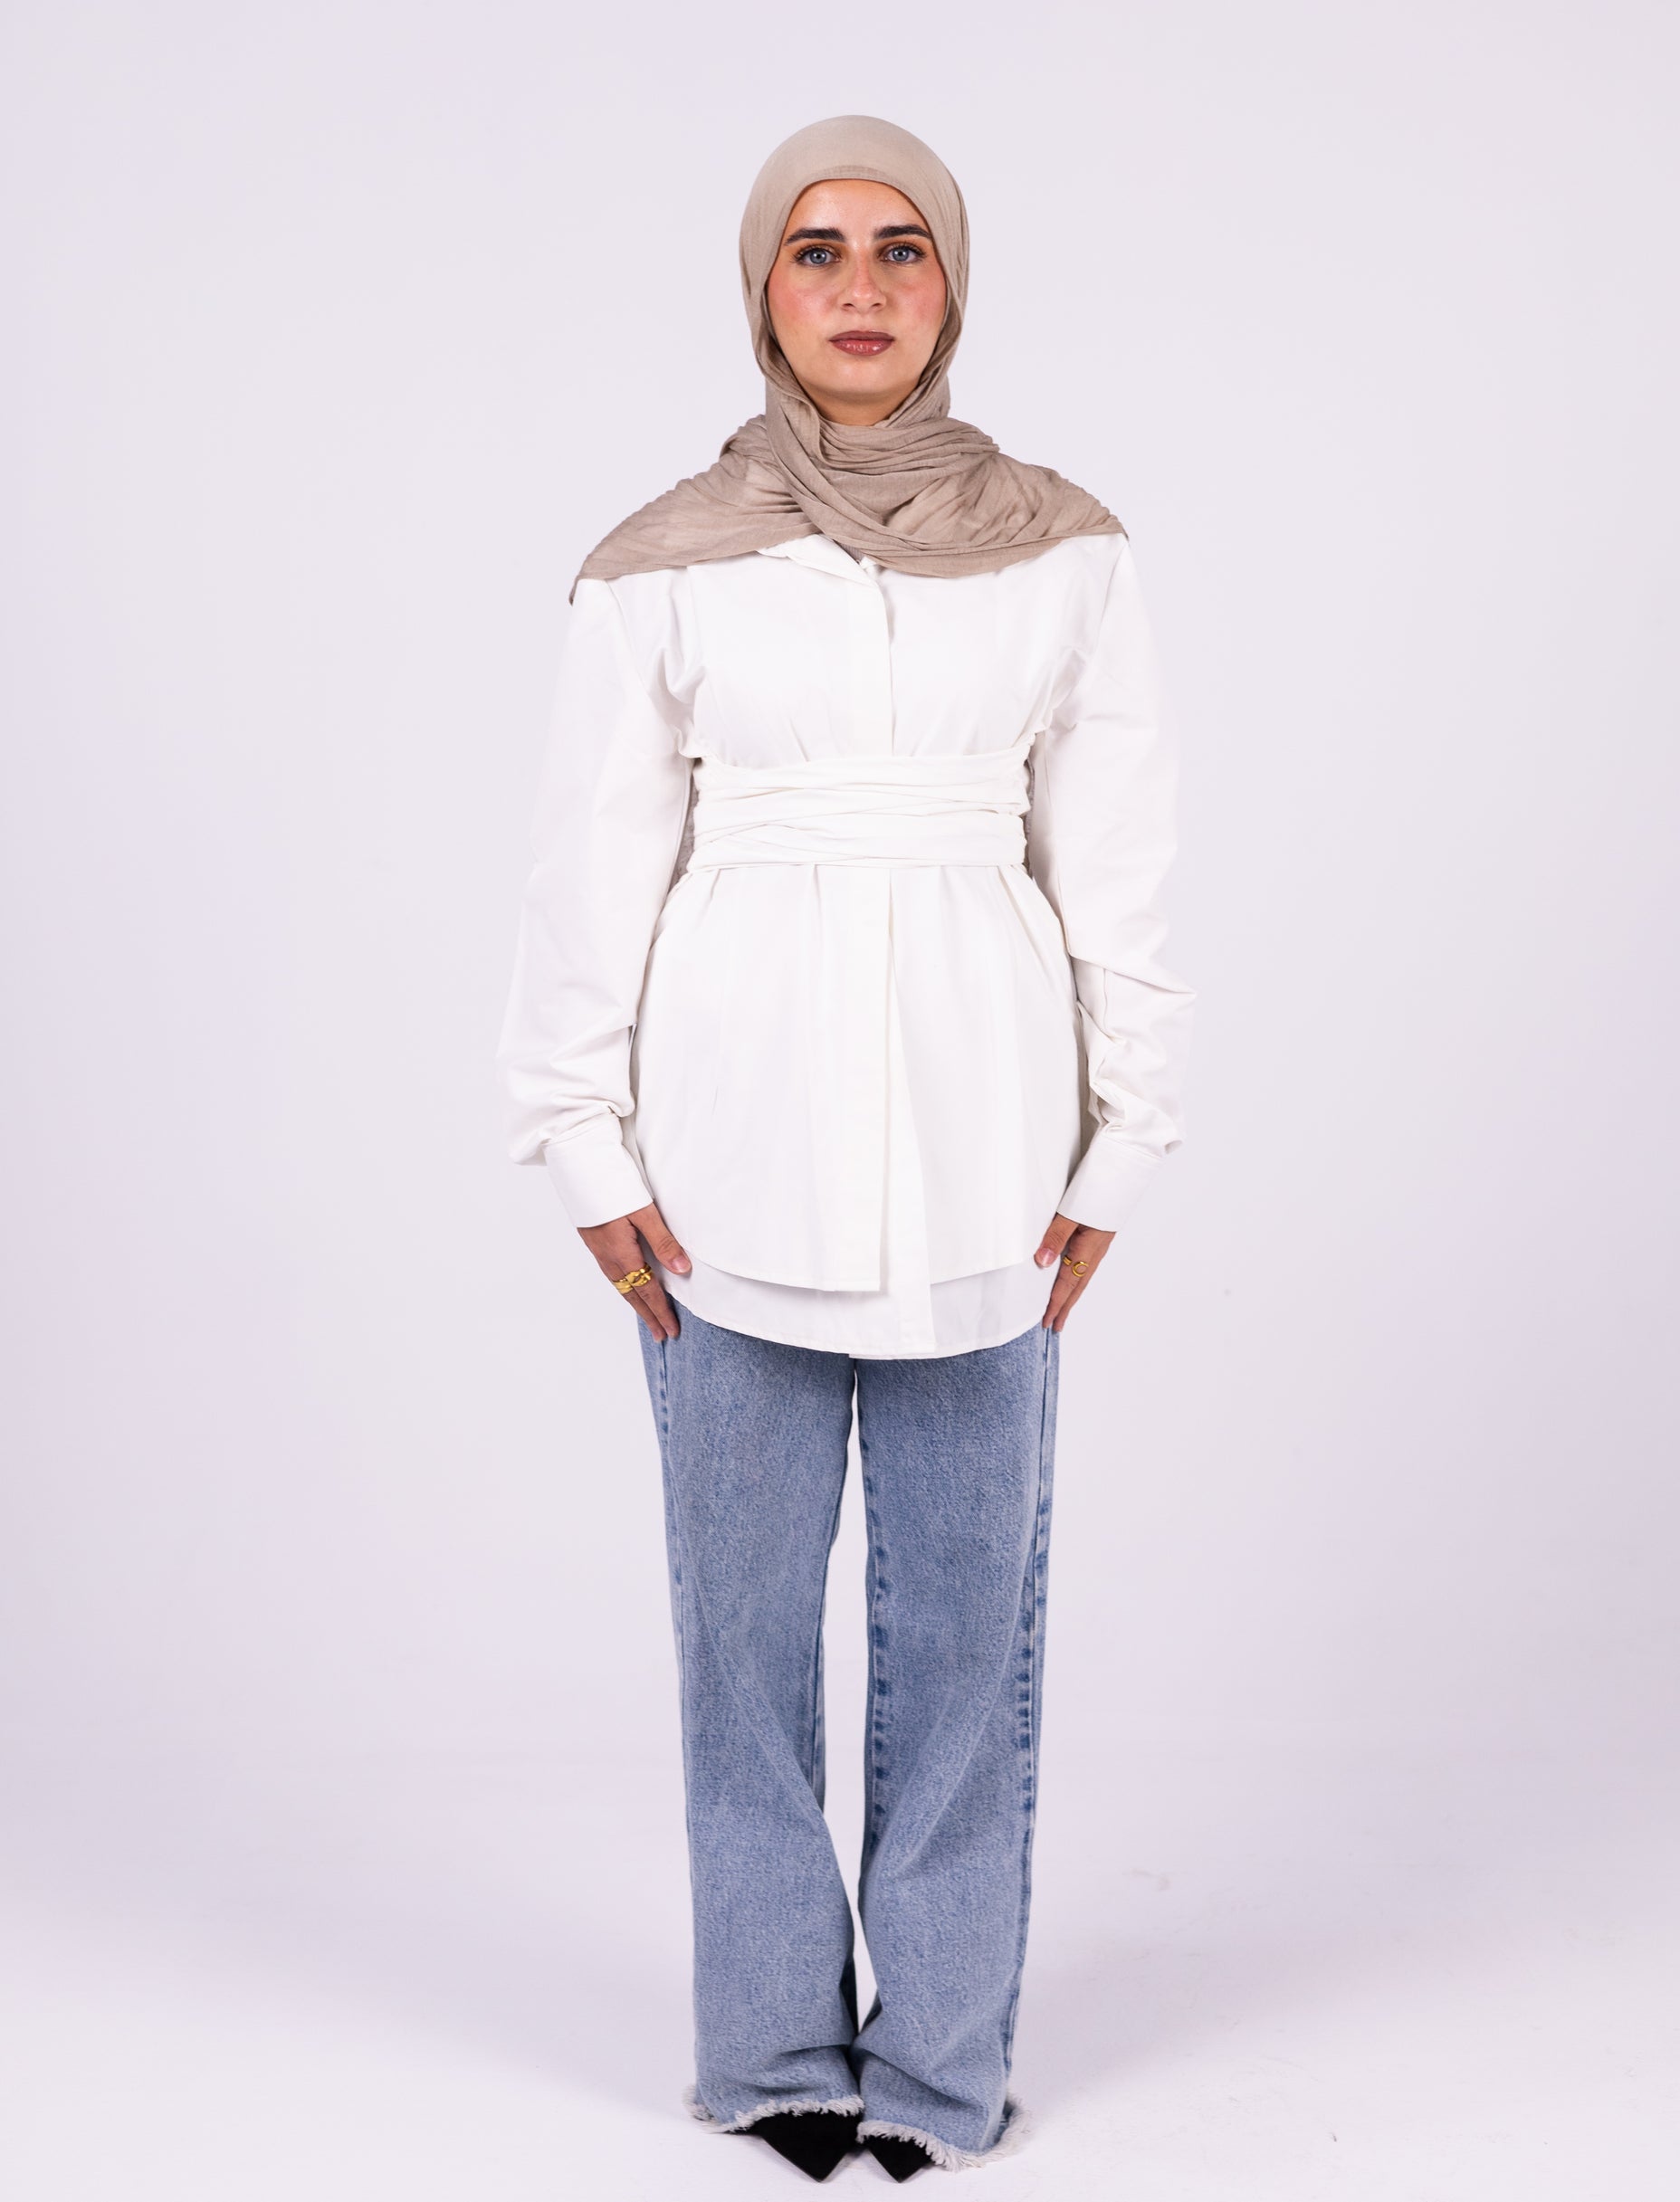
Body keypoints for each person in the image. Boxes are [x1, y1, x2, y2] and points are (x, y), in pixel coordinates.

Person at [499, 114, 1195, 2183]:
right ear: (763, 286)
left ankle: (943, 2065)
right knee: (739, 1647)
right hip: (721, 1169)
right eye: (818, 249)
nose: (862, 286)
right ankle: (772, 2048)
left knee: (970, 1646)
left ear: (952, 285)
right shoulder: (660, 562)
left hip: (991, 1159)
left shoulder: (1064, 549)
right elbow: (587, 870)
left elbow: (1117, 866)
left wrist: (1122, 1141)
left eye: (901, 247)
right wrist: (580, 1141)